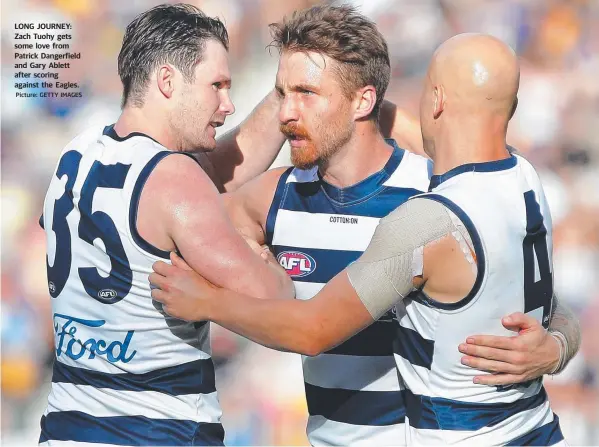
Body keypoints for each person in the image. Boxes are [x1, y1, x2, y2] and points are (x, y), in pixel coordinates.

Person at [150, 18, 580, 447]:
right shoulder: (272, 198)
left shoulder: (434, 195)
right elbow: (176, 216)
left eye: (306, 93)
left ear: (363, 101)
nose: (285, 113)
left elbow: (536, 301)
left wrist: (558, 344)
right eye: (282, 93)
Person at [38, 4, 298, 446]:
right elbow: (275, 302)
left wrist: (281, 94)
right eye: (216, 86)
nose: (227, 104)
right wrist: (265, 259)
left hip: (66, 425)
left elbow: (206, 173)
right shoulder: (174, 179)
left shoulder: (76, 153)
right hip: (158, 429)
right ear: (167, 82)